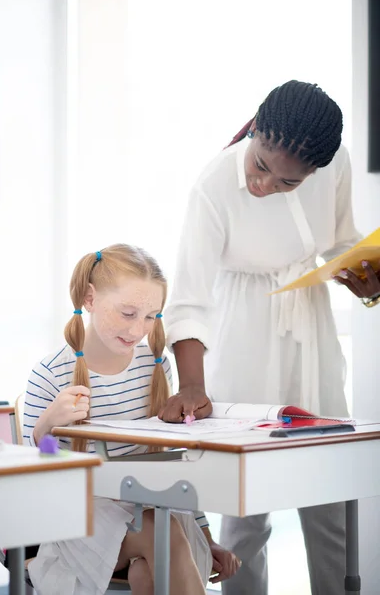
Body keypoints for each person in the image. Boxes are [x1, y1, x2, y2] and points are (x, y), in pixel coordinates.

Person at [161, 80, 380, 595]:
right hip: (242, 329)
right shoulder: (212, 186)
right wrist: (193, 386)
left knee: (330, 491)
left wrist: (364, 278)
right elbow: (189, 299)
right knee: (248, 510)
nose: (265, 185)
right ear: (255, 127)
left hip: (310, 328)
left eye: (288, 183)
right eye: (261, 166)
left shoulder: (334, 162)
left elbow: (342, 242)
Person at [22, 244, 240, 595]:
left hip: (151, 507)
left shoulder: (153, 366)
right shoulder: (51, 374)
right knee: (161, 534)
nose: (140, 330)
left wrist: (206, 537)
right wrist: (45, 426)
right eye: (128, 313)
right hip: (80, 516)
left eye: (152, 316)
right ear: (89, 299)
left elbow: (173, 468)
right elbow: (29, 481)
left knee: (151, 571)